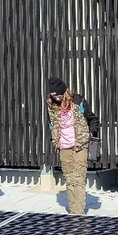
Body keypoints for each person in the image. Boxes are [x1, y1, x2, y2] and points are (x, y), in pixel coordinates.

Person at [47, 78, 97, 216]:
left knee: (79, 178)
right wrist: (54, 139)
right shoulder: (51, 105)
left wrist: (90, 134)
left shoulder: (78, 101)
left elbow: (92, 119)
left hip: (80, 144)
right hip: (64, 146)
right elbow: (51, 124)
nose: (56, 97)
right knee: (69, 179)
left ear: (64, 91)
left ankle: (78, 211)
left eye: (58, 94)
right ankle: (73, 209)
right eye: (53, 95)